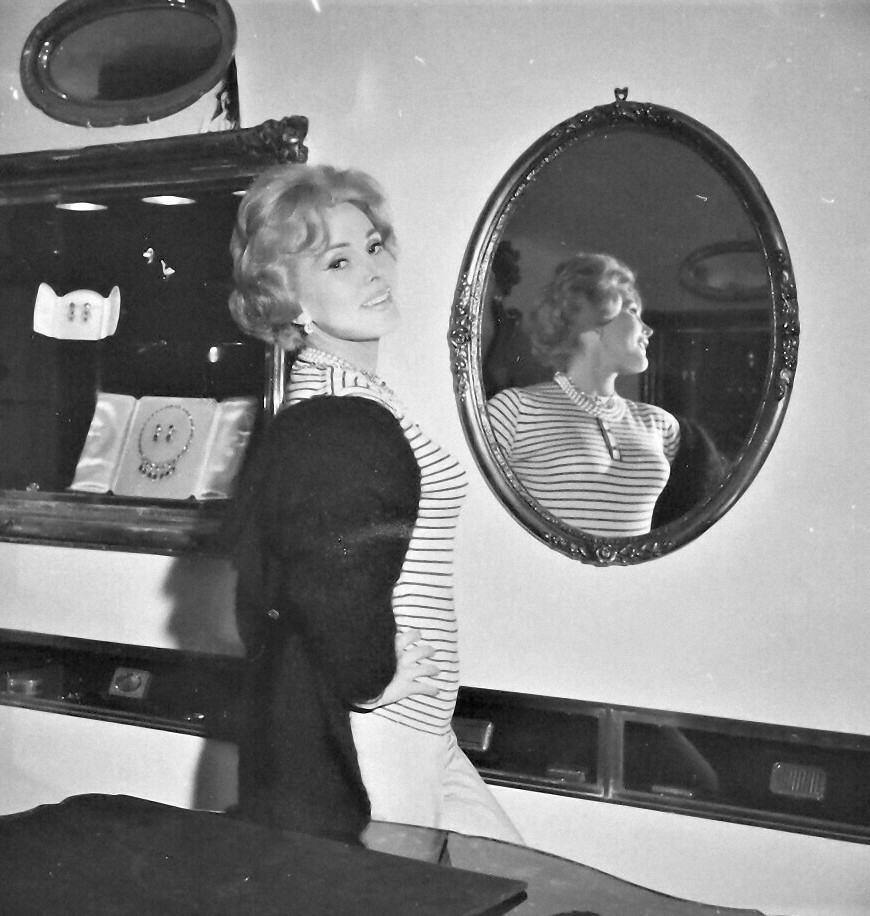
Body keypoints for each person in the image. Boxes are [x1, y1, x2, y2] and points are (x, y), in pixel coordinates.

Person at [222, 163, 521, 846]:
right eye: (338, 261)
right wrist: (370, 681)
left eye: (373, 247)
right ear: (288, 298)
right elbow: (325, 583)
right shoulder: (339, 415)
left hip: (419, 725)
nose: (373, 270)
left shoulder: (357, 397)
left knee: (518, 881)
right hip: (381, 732)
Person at [487, 252, 680, 537]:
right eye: (633, 312)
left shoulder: (661, 425)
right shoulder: (514, 410)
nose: (648, 330)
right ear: (591, 317)